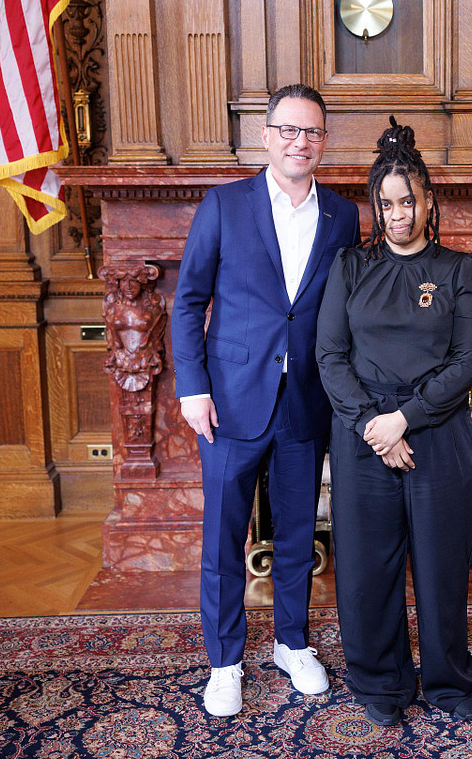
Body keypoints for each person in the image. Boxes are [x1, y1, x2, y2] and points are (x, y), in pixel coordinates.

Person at [171, 84, 360, 717]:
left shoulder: (343, 216)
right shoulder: (224, 206)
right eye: (288, 130)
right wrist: (193, 388)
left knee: (298, 531)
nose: (299, 142)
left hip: (307, 400)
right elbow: (190, 300)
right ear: (266, 135)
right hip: (229, 401)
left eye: (311, 132)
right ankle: (225, 662)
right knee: (223, 536)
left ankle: (291, 642)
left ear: (324, 142)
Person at [316, 118, 472, 726]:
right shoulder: (350, 267)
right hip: (364, 435)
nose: (398, 214)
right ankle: (381, 685)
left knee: (442, 568)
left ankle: (447, 682)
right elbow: (330, 355)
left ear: (429, 200)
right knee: (367, 569)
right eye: (387, 203)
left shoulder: (460, 270)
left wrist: (405, 420)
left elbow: (468, 359)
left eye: (408, 200)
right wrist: (375, 426)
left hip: (436, 434)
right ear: (375, 206)